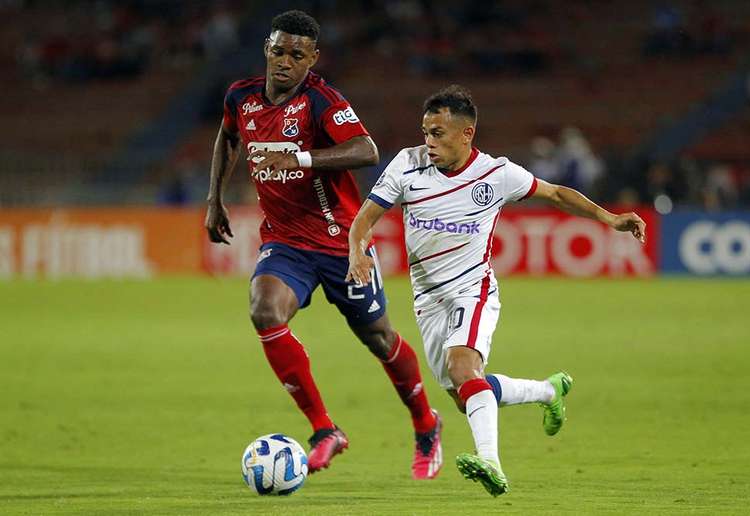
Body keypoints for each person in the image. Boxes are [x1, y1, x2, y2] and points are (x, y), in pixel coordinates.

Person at [346, 85, 646, 496]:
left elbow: (557, 193)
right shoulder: (407, 164)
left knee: (463, 369)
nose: (429, 142)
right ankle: (547, 390)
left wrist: (609, 218)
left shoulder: (496, 173)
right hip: (428, 300)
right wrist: (356, 252)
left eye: (438, 133)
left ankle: (490, 462)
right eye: (425, 132)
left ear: (466, 134)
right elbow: (365, 217)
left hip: (474, 289)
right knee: (464, 390)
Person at [205, 10, 442, 479]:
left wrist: (301, 157)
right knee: (264, 310)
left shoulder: (321, 101)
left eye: (297, 54)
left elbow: (367, 150)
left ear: (312, 59)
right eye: (278, 51)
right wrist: (215, 199)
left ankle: (425, 423)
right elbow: (227, 137)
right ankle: (324, 429)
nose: (285, 62)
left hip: (341, 241)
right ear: (266, 50)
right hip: (286, 242)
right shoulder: (242, 96)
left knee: (378, 338)